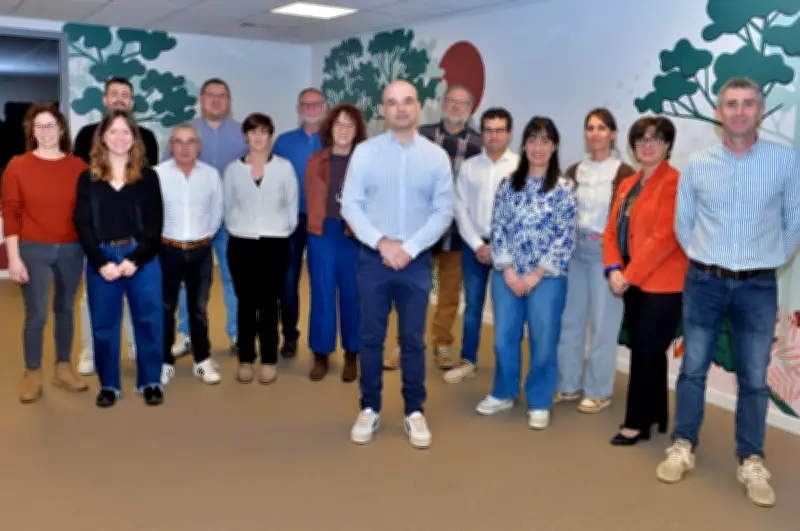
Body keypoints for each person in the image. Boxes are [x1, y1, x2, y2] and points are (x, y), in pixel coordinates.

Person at [657, 77, 800, 508]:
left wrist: (770, 257)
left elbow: (794, 219)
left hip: (758, 285)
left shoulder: (784, 160)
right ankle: (683, 444)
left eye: (748, 103)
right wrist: (706, 258)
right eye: (731, 104)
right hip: (704, 282)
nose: (739, 111)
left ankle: (751, 458)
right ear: (718, 112)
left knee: (754, 377)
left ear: (761, 111)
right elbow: (683, 223)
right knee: (693, 369)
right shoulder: (698, 163)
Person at [341, 80, 454, 449]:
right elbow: (351, 205)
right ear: (383, 110)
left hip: (416, 262)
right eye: (392, 102)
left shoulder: (436, 156)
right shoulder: (365, 153)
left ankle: (414, 410)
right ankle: (369, 407)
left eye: (407, 101)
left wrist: (411, 247)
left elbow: (444, 211)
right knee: (370, 338)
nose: (400, 108)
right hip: (373, 259)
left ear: (418, 107)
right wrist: (382, 243)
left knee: (412, 341)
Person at [475, 116, 576, 430]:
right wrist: (507, 270)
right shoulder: (509, 184)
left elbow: (565, 236)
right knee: (504, 337)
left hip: (547, 277)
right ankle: (504, 392)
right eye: (532, 140)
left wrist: (535, 275)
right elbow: (498, 227)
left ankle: (540, 400)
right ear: (524, 145)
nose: (538, 147)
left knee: (544, 340)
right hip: (507, 275)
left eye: (545, 141)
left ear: (554, 146)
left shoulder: (564, 188)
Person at [73, 109, 165, 408]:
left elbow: (155, 224)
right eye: (113, 131)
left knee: (149, 321)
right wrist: (101, 263)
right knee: (103, 325)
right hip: (102, 258)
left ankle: (150, 381)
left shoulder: (148, 177)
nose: (120, 137)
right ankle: (109, 385)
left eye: (126, 131)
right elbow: (82, 223)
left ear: (134, 138)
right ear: (102, 138)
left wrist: (135, 260)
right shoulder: (88, 178)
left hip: (142, 258)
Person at [602, 116, 685, 445]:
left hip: (662, 285)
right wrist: (613, 269)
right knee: (645, 349)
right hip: (631, 281)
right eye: (641, 140)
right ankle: (656, 414)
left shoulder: (675, 182)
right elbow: (611, 231)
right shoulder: (628, 184)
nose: (647, 146)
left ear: (667, 145)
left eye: (655, 139)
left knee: (647, 352)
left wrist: (628, 275)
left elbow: (665, 237)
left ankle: (635, 422)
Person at [1, 102, 88, 403]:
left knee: (65, 309)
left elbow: (86, 212)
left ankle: (63, 367)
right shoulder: (17, 166)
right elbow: (11, 212)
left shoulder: (78, 167)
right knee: (36, 313)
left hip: (71, 248)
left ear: (61, 129)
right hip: (32, 248)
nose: (46, 132)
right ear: (31, 131)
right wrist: (13, 257)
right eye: (39, 126)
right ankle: (32, 372)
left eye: (51, 125)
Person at [395, 84, 481, 371]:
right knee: (412, 289)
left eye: (462, 103)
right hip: (422, 229)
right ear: (443, 104)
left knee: (449, 293)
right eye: (451, 101)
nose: (455, 107)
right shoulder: (423, 135)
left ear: (470, 109)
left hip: (458, 231)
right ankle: (404, 343)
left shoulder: (478, 144)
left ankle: (442, 344)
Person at [556, 108, 636, 413]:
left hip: (607, 253)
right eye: (590, 128)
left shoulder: (625, 173)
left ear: (613, 133)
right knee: (571, 321)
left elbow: (630, 222)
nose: (595, 133)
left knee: (604, 325)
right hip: (575, 251)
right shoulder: (575, 170)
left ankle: (599, 390)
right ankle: (568, 383)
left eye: (602, 128)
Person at [173, 78, 248, 357]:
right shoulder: (185, 132)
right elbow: (172, 172)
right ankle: (186, 333)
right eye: (210, 95)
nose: (216, 100)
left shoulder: (243, 134)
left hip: (231, 221)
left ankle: (238, 333)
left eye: (222, 95)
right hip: (194, 220)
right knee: (188, 280)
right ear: (201, 99)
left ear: (228, 100)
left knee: (234, 278)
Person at [224, 113, 298, 385]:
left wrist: (278, 230)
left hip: (275, 243)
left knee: (269, 303)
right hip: (241, 243)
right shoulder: (233, 170)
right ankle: (245, 358)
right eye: (253, 131)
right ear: (245, 136)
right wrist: (240, 227)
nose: (258, 137)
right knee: (245, 302)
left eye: (263, 131)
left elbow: (291, 205)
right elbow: (227, 206)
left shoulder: (284, 168)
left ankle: (268, 359)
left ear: (270, 135)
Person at [446, 107, 518, 384]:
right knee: (473, 306)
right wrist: (477, 245)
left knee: (506, 310)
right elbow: (460, 208)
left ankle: (506, 367)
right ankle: (468, 361)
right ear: (482, 133)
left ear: (509, 133)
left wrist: (497, 247)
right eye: (488, 130)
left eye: (499, 130)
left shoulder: (520, 167)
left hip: (508, 250)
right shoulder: (469, 166)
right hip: (474, 246)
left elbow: (521, 215)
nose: (493, 136)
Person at [155, 123, 224, 386]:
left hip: (200, 252)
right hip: (166, 250)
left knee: (198, 309)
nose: (184, 148)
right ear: (171, 146)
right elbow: (151, 214)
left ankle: (202, 360)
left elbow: (217, 212)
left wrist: (202, 238)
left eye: (190, 141)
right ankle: (164, 362)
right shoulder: (157, 174)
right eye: (178, 142)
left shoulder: (211, 175)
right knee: (165, 309)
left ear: (199, 146)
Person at [304, 103, 367, 382]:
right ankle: (321, 354)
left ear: (357, 131)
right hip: (323, 234)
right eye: (338, 123)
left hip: (354, 235)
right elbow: (310, 197)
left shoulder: (365, 160)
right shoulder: (316, 160)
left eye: (349, 125)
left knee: (354, 295)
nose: (343, 129)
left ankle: (352, 353)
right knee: (322, 293)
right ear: (329, 128)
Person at [273, 88, 326, 358]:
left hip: (324, 223)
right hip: (290, 222)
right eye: (306, 104)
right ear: (298, 109)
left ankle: (322, 342)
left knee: (322, 283)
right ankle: (290, 336)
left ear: (324, 107)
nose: (311, 108)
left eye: (316, 103)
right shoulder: (283, 142)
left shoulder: (334, 140)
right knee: (287, 283)